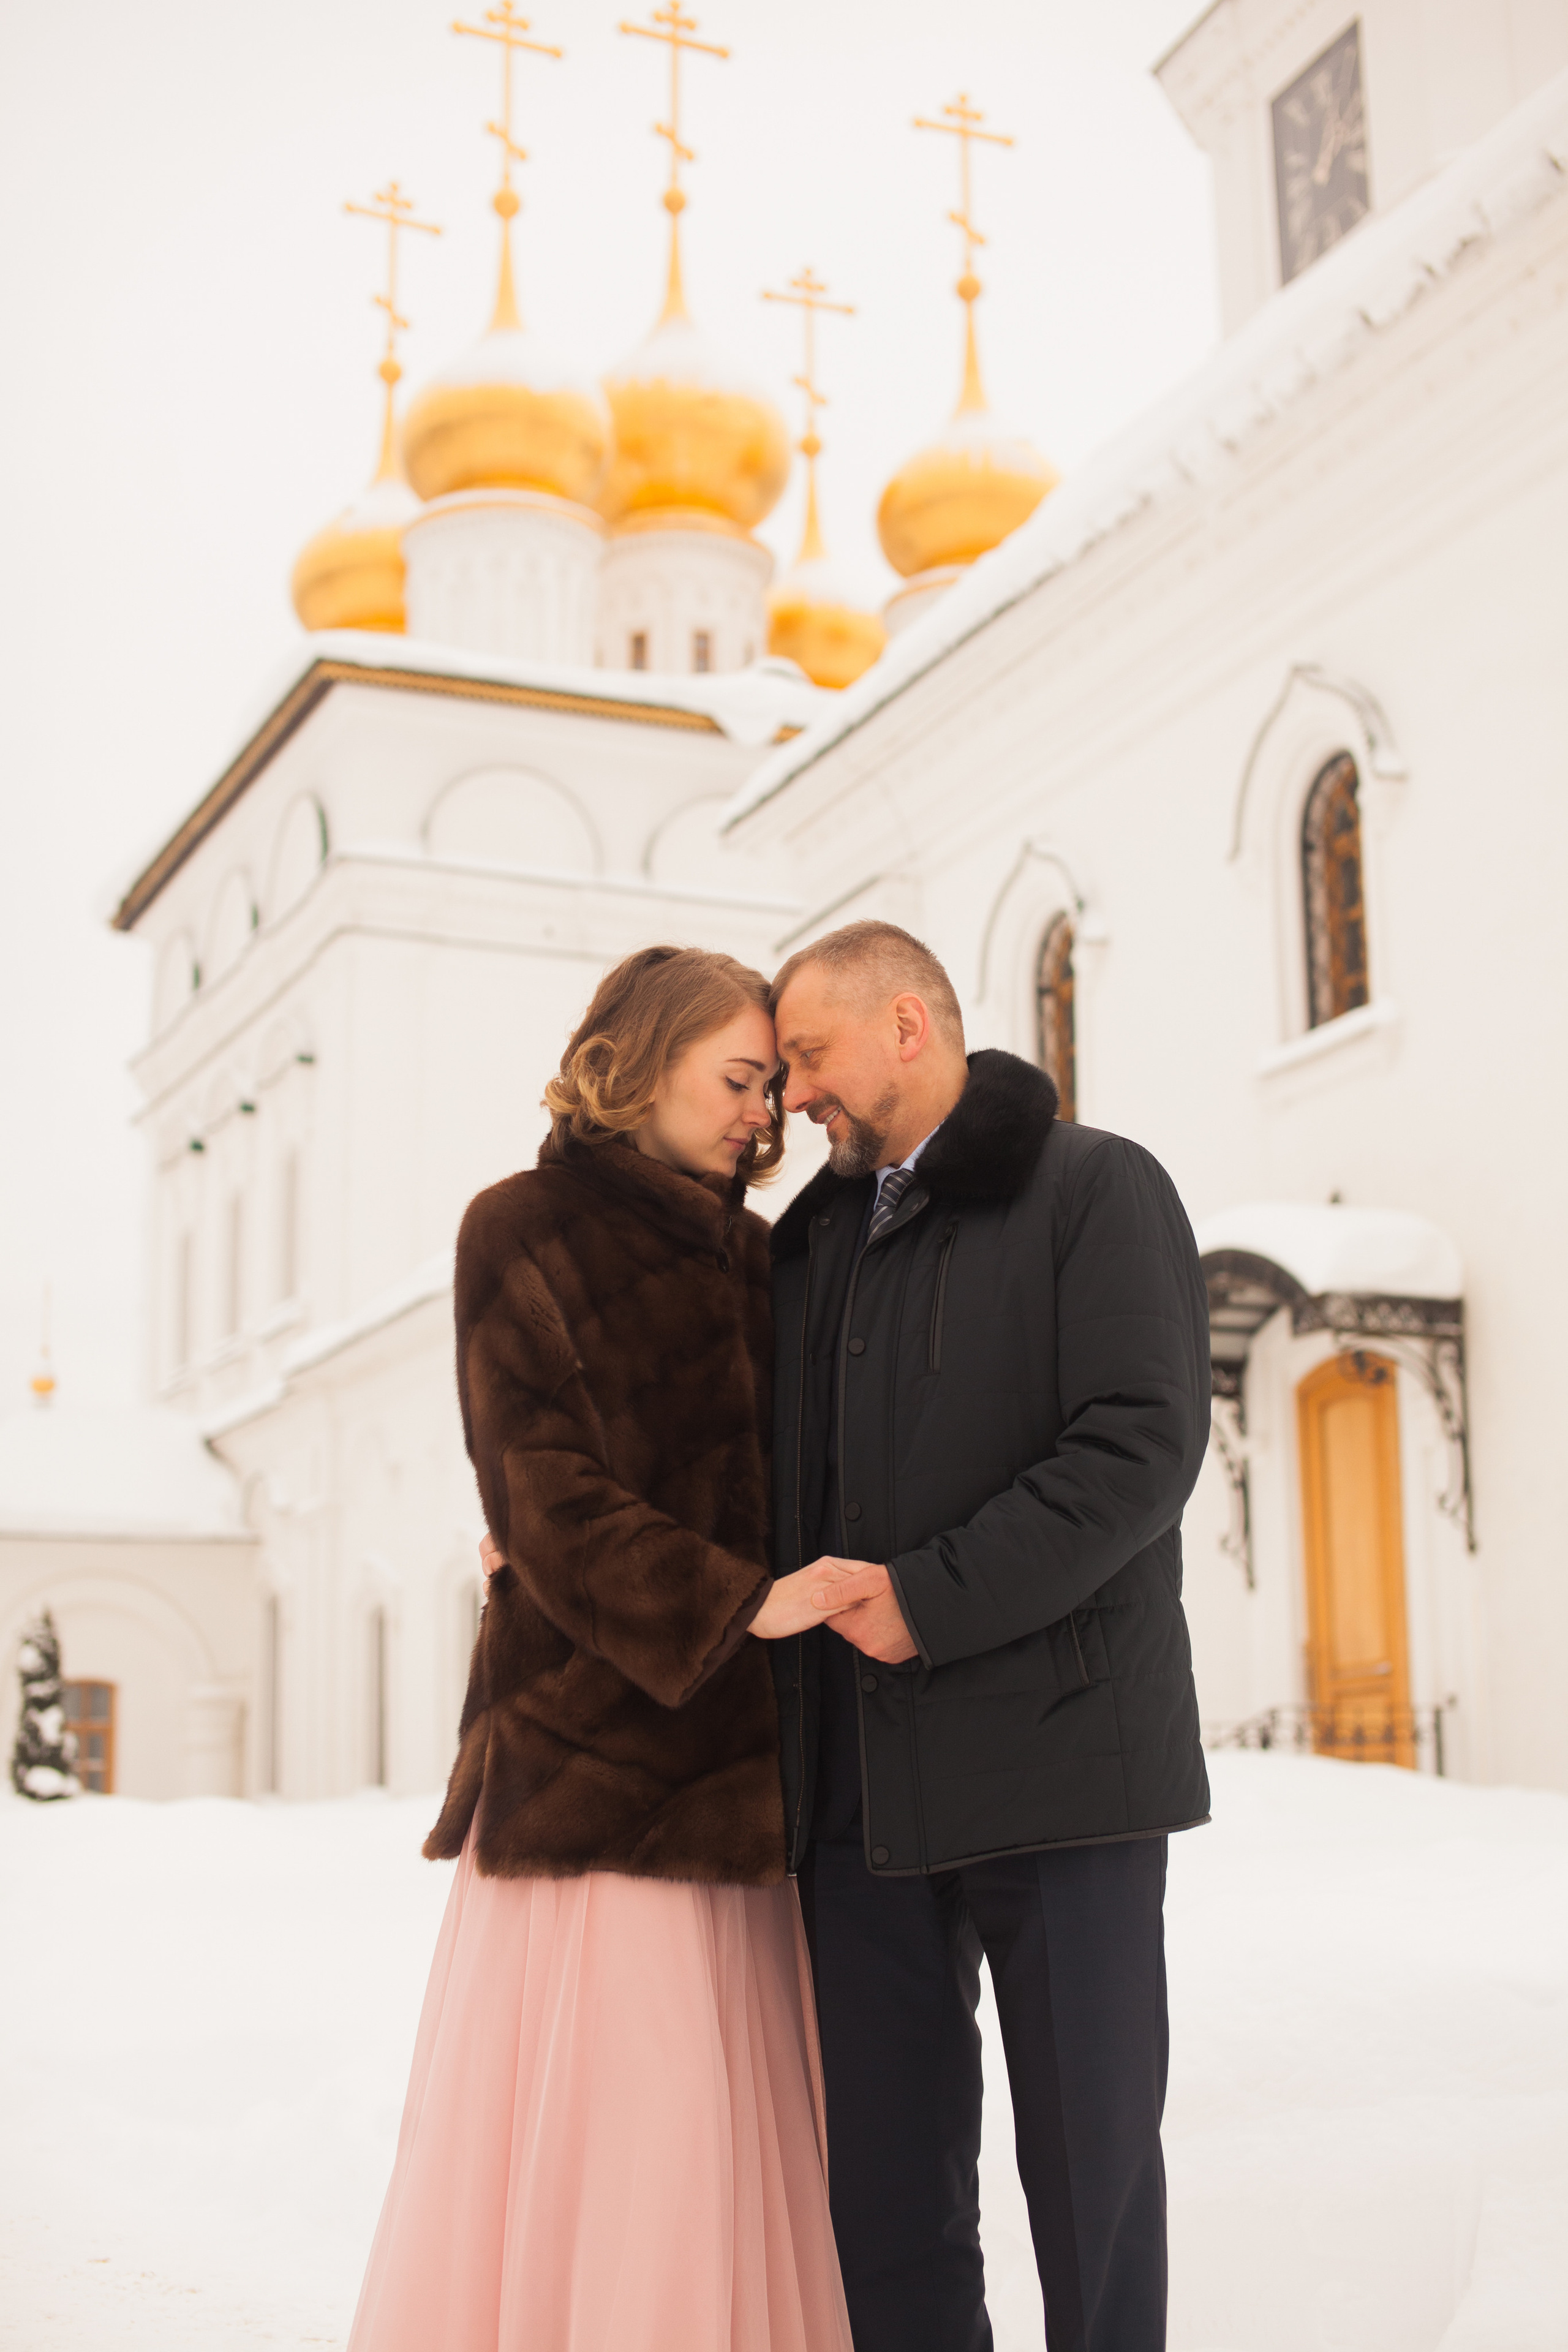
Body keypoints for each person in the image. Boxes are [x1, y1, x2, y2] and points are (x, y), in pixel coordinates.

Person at [349, 946, 854, 2352]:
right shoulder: (518, 1226)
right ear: (636, 1059)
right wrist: (733, 1600)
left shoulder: (763, 1254)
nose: (762, 1115)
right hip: (594, 1771)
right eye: (740, 1078)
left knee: (720, 2153)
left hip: (746, 1781)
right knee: (618, 2150)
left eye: (770, 1086)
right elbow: (540, 1489)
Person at [767, 920, 1212, 2352]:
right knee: (884, 2205)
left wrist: (929, 1597)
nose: (791, 1098)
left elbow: (1139, 1446)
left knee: (1090, 2193)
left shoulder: (1093, 1188)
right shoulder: (810, 1242)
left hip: (1063, 1775)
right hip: (860, 1796)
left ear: (908, 1026)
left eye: (807, 1057)